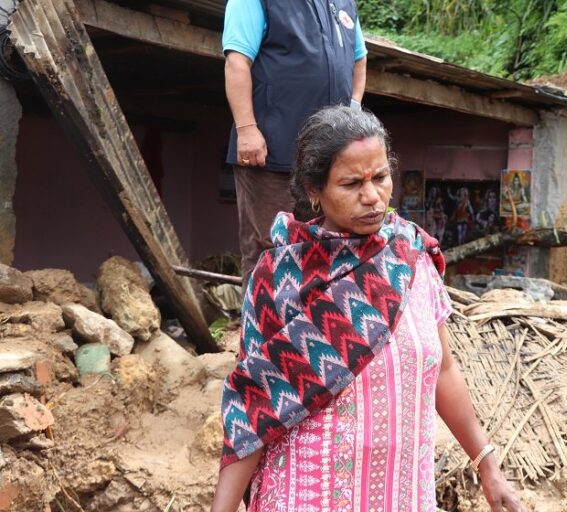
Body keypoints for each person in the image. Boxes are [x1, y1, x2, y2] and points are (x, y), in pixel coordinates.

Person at [211, 106, 524, 512]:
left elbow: (443, 370)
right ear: (313, 189)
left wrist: (487, 464)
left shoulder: (410, 259)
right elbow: (254, 407)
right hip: (309, 496)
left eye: (380, 177)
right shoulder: (281, 279)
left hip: (403, 496)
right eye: (351, 183)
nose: (372, 196)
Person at [222, 0, 368, 283]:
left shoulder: (343, 3)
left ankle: (317, 313)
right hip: (270, 151)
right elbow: (237, 61)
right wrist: (247, 129)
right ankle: (264, 313)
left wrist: (353, 110)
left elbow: (359, 58)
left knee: (328, 245)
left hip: (328, 157)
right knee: (269, 246)